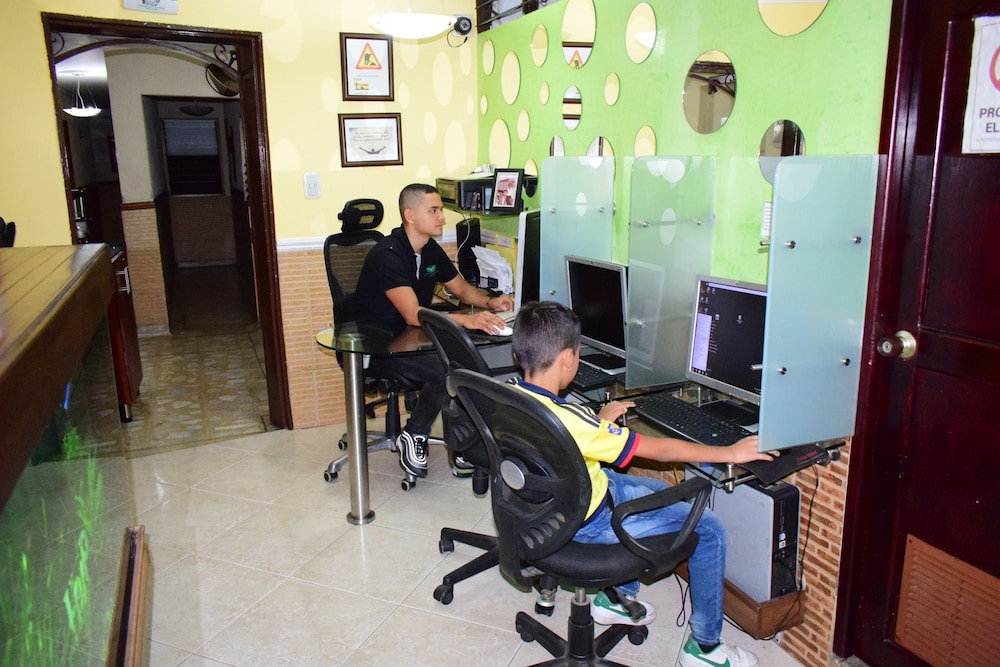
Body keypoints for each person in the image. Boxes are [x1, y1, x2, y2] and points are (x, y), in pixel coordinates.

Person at [509, 301, 776, 667]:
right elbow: (659, 450)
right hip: (590, 523)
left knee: (652, 491)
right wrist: (728, 452)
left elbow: (567, 442)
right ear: (568, 358)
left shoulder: (509, 396)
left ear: (518, 353)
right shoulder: (572, 422)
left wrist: (600, 423)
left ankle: (614, 599)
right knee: (710, 528)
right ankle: (706, 649)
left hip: (555, 505)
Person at [354, 183, 515, 479]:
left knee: (463, 362)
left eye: (440, 209)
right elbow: (413, 314)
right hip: (379, 347)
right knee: (445, 370)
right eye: (434, 210)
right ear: (410, 215)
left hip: (412, 340)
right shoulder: (387, 255)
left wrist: (491, 303)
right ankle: (414, 433)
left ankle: (463, 445)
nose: (442, 216)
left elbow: (461, 289)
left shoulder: (429, 249)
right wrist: (467, 320)